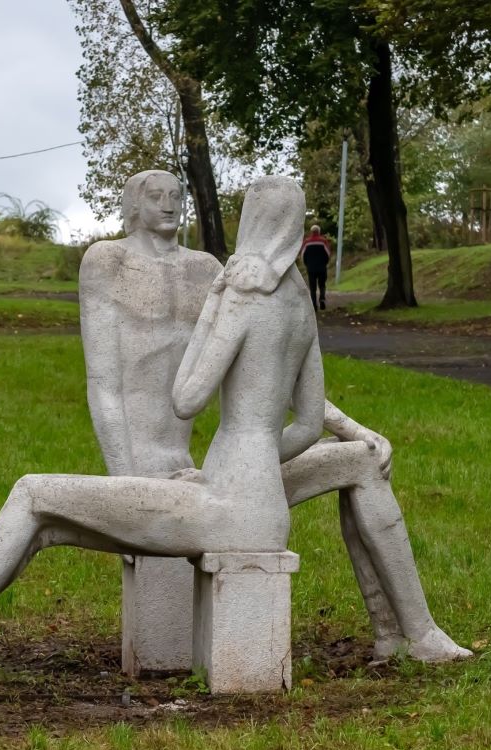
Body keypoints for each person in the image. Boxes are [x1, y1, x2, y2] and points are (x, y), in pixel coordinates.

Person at [0, 177, 326, 695]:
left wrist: (213, 306)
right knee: (45, 525)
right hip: (263, 513)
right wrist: (248, 465)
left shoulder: (237, 300)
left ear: (253, 219)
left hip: (223, 509)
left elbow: (187, 398)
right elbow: (308, 424)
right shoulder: (300, 305)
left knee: (33, 492)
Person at [80, 171, 470, 671]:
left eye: (176, 195)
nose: (169, 204)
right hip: (183, 473)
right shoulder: (111, 263)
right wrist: (125, 485)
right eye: (156, 196)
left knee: (361, 461)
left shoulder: (217, 277)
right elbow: (106, 386)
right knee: (358, 461)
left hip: (222, 476)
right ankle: (412, 633)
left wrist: (355, 432)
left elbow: (230, 388)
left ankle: (404, 634)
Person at [300, 224, 331, 310]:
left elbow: (302, 255)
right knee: (322, 284)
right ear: (319, 231)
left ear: (311, 232)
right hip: (322, 267)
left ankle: (314, 304)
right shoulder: (323, 241)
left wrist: (306, 264)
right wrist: (325, 262)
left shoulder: (306, 242)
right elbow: (328, 253)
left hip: (311, 268)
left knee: (312, 287)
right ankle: (322, 299)